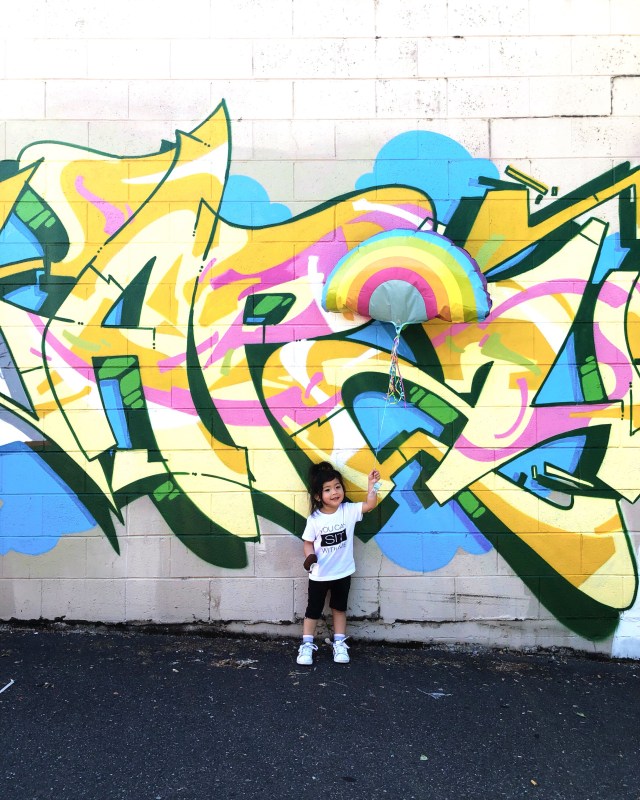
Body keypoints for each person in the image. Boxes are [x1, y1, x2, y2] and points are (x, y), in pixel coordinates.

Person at [296, 461, 380, 665]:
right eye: (327, 489)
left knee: (339, 608)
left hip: (343, 572)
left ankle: (339, 643)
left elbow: (369, 505)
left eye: (337, 487)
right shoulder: (314, 519)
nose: (334, 492)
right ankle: (306, 645)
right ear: (318, 496)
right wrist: (310, 559)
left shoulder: (348, 511)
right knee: (312, 610)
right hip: (320, 574)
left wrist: (373, 486)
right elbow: (308, 543)